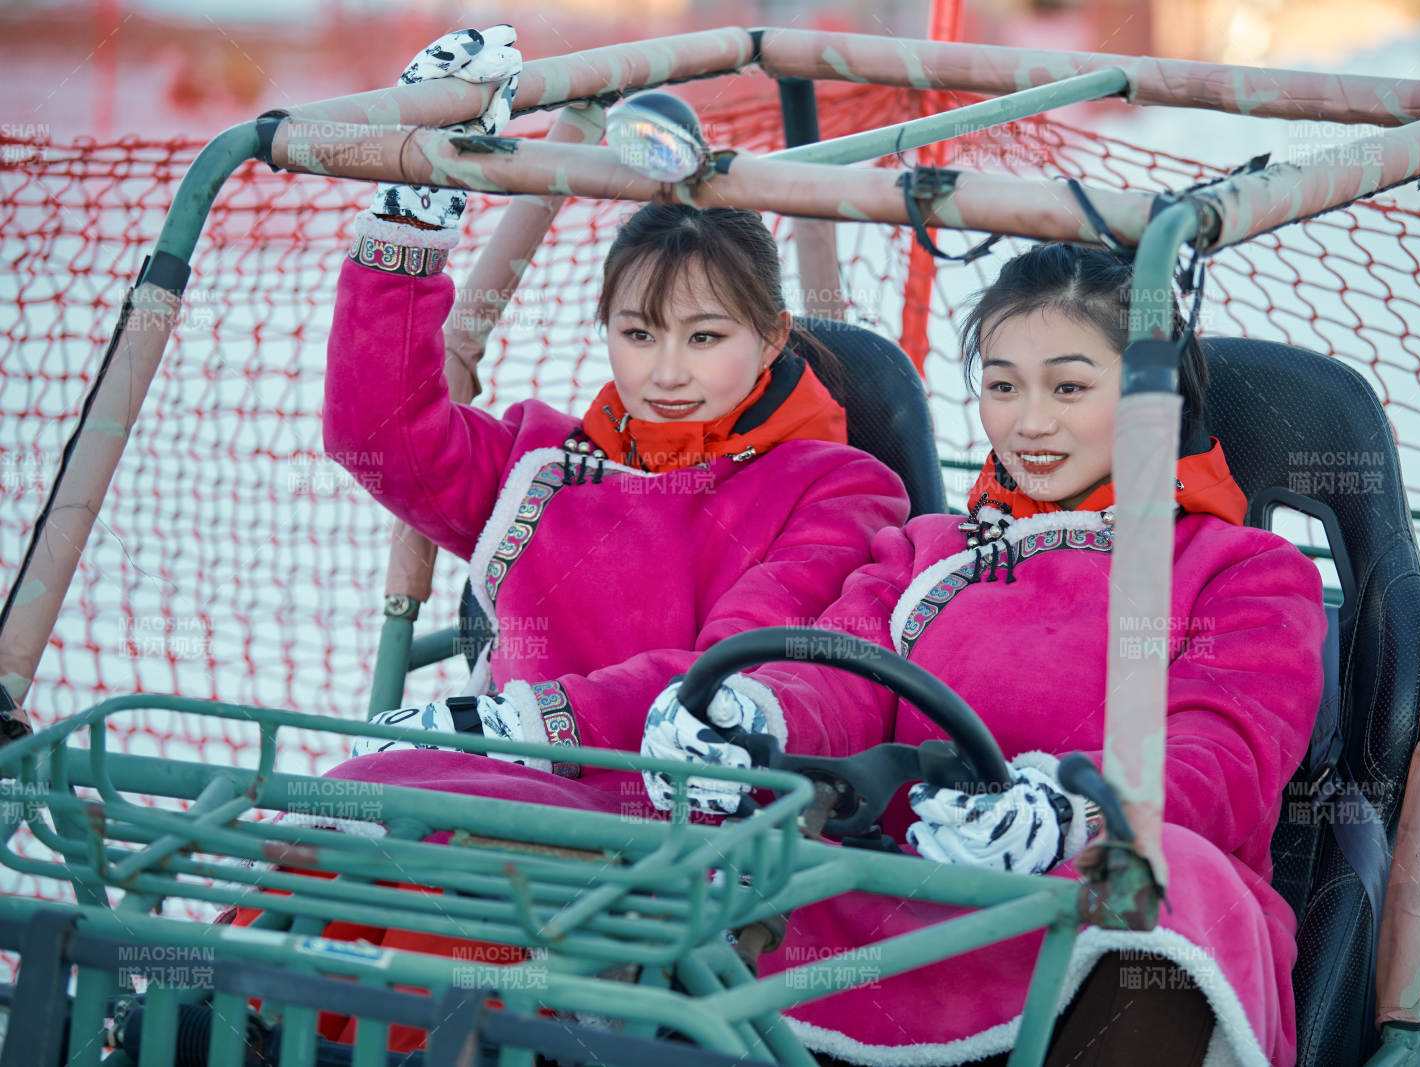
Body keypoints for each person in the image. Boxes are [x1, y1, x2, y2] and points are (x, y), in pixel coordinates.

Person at [642, 243, 1326, 1067]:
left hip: (1094, 929)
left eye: (1069, 387)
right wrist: (753, 711)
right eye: (1003, 386)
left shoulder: (1242, 570)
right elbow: (840, 671)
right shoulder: (931, 552)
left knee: (1162, 870)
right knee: (726, 842)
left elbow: (1225, 754)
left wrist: (1070, 815)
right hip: (906, 899)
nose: (1029, 423)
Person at [319, 26, 909, 793]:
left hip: (677, 828)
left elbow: (731, 678)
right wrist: (411, 213)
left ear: (769, 339)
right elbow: (379, 433)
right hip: (497, 804)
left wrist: (528, 727)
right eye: (638, 334)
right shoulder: (544, 465)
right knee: (328, 838)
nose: (666, 371)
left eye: (704, 337)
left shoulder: (834, 489)